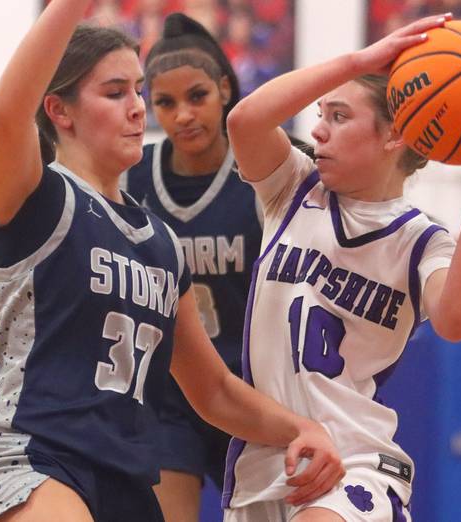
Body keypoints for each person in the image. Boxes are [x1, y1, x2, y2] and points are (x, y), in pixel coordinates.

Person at [0, 1, 343, 521]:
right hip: (33, 454)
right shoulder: (38, 198)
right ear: (59, 110)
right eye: (115, 93)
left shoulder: (161, 242)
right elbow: (7, 112)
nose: (139, 108)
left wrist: (300, 428)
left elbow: (215, 390)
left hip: (128, 476)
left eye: (137, 91)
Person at [223, 12, 461, 522]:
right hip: (265, 461)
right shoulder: (293, 189)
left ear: (396, 136)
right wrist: (356, 60)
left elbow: (456, 320)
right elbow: (244, 121)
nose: (317, 130)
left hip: (354, 461)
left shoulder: (420, 241)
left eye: (339, 116)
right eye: (321, 113)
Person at [121, 12, 261, 521]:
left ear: (225, 89)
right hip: (168, 394)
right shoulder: (129, 177)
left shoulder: (265, 171)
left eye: (196, 97)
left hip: (252, 392)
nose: (182, 114)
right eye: (165, 102)